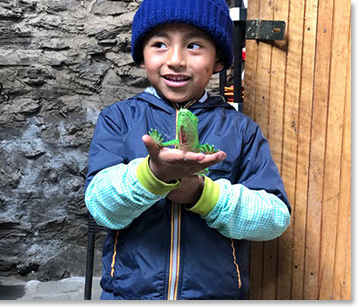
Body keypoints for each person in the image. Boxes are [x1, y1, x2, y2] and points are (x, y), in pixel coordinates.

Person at [84, 0, 291, 300]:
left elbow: (274, 218)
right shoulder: (118, 120)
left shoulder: (241, 130)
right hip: (129, 295)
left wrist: (202, 195)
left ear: (219, 59)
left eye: (194, 45)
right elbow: (101, 207)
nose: (176, 60)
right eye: (159, 44)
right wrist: (152, 177)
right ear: (141, 55)